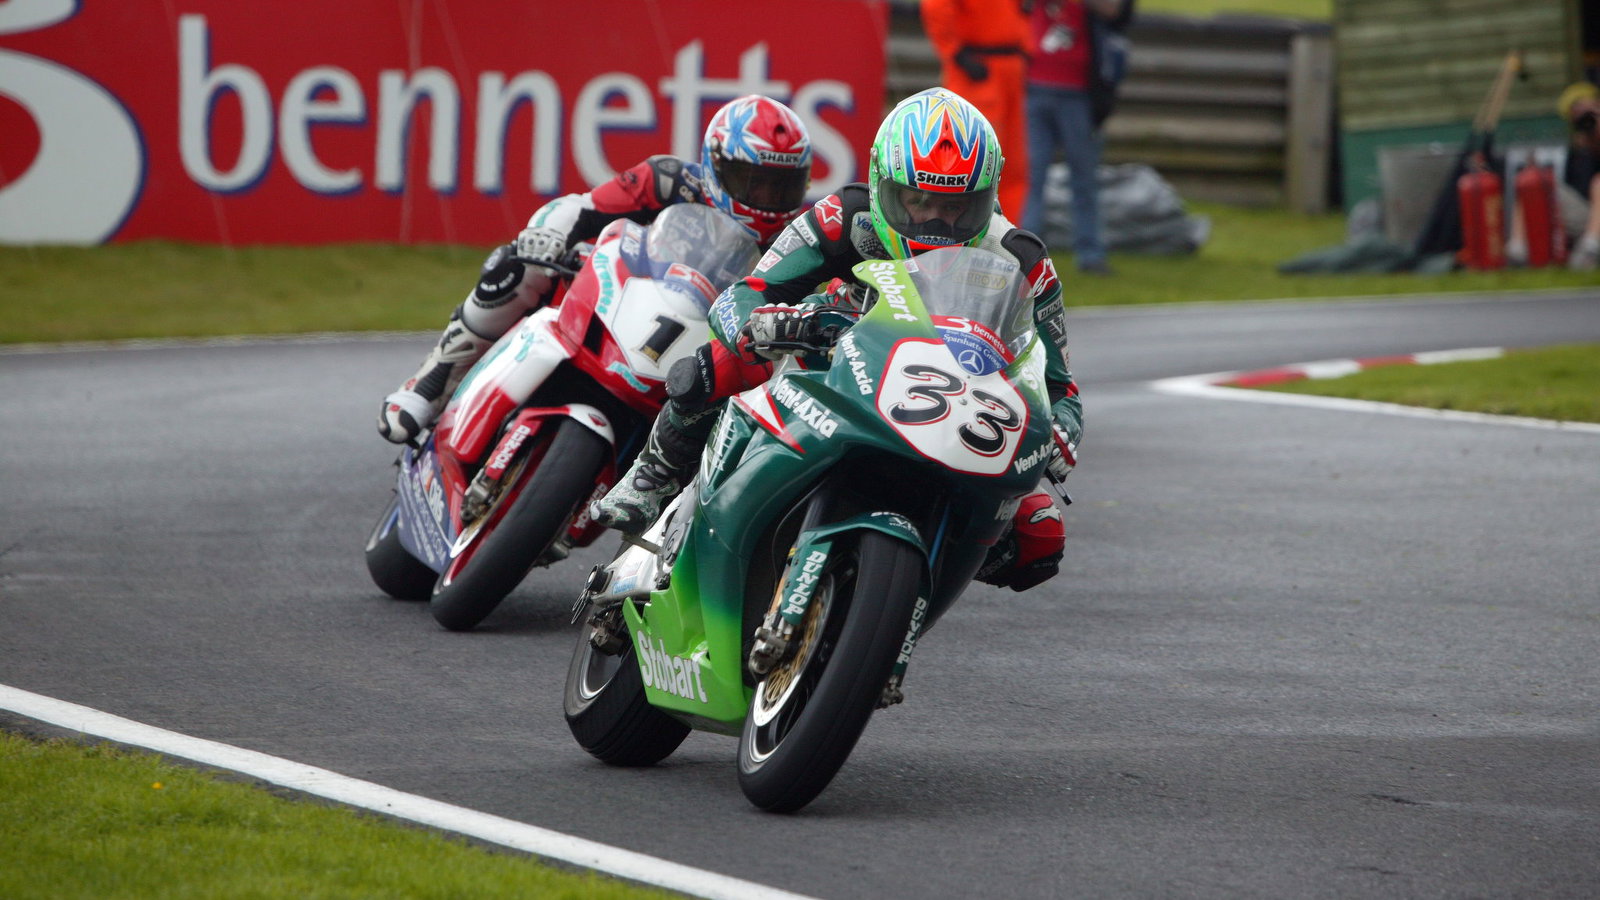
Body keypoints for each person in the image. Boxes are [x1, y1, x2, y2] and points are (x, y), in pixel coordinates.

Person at [590, 87, 1084, 593]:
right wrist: (761, 325)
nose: (936, 222)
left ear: (989, 196)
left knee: (1038, 536)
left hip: (952, 403)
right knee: (724, 358)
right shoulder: (847, 214)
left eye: (958, 207)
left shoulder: (1022, 259)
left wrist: (1060, 433)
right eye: (916, 201)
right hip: (835, 352)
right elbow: (749, 290)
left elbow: (1059, 387)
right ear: (880, 181)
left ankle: (906, 572)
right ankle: (656, 469)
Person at [376, 95, 814, 444]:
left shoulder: (796, 240)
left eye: (780, 186)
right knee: (515, 265)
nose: (765, 197)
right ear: (716, 163)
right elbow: (581, 211)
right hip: (620, 305)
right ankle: (430, 383)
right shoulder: (668, 180)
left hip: (696, 359)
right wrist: (546, 235)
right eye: (752, 180)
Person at [1020, 0, 1134, 276]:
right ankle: (1024, 258)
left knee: (1084, 178)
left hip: (1080, 94)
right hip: (1034, 87)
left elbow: (1117, 11)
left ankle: (1090, 254)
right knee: (1031, 177)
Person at [920, 0, 1032, 220]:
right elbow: (936, 6)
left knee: (1013, 165)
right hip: (977, 69)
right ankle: (962, 228)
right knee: (970, 159)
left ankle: (1007, 232)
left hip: (1011, 66)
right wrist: (956, 52)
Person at [1557, 80, 1600, 270]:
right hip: (1587, 214)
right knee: (1540, 185)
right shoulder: (1579, 151)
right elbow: (1576, 188)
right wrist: (1587, 148)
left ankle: (1589, 249)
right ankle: (1524, 251)